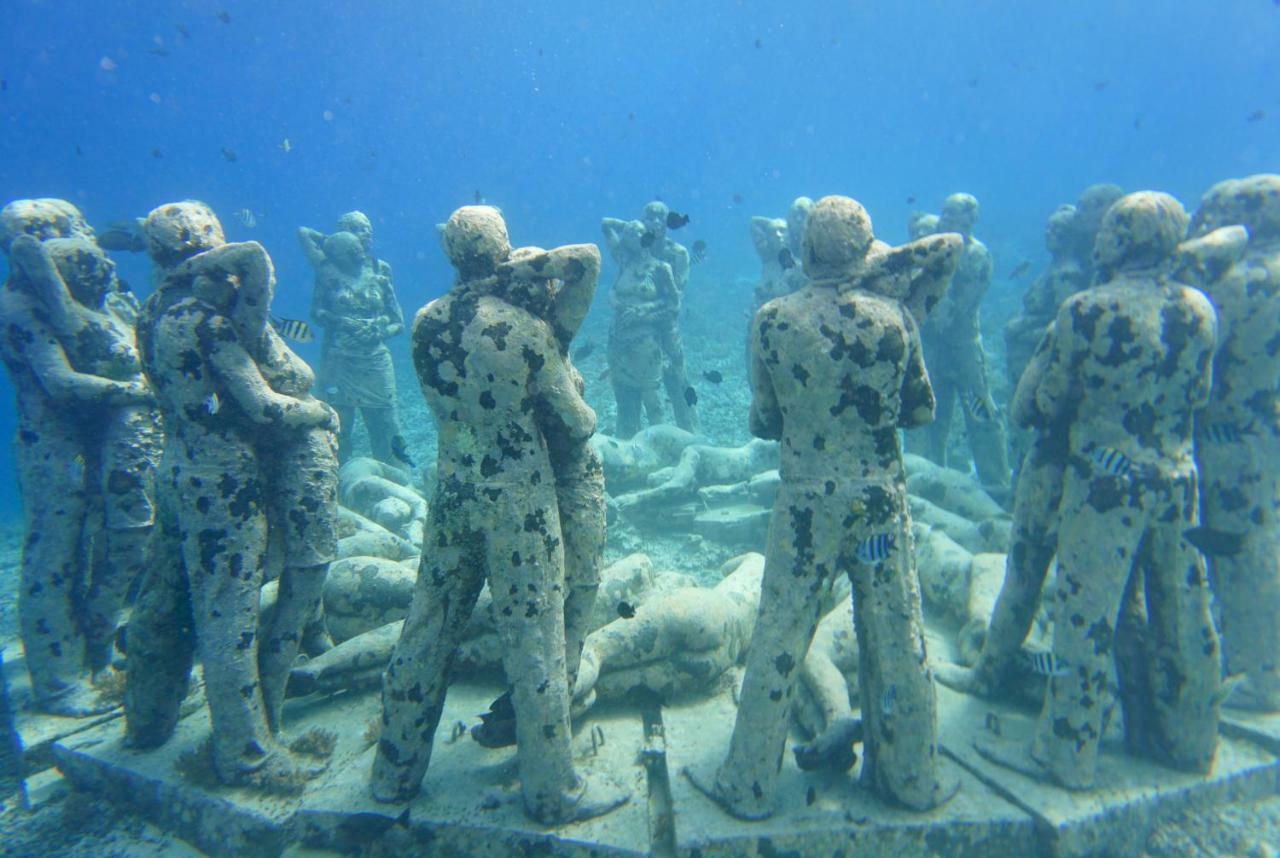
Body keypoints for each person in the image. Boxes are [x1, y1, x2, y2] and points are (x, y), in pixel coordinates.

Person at [685, 195, 962, 818]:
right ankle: (911, 776)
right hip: (880, 500)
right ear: (868, 250)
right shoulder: (895, 321)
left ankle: (749, 782)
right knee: (896, 633)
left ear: (804, 248)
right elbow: (920, 412)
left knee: (779, 635)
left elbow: (763, 420)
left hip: (806, 500)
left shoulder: (774, 320)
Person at [371, 206, 628, 823]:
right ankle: (552, 790)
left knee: (428, 627)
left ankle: (393, 773)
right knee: (534, 641)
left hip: (453, 492)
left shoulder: (425, 323)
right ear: (505, 248)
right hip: (520, 505)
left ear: (450, 252)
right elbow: (577, 421)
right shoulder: (521, 330)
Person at [979, 192, 1221, 790]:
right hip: (1177, 479)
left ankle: (1067, 751)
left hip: (1104, 482)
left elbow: (1043, 402)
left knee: (1085, 616)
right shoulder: (1200, 308)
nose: (1098, 237)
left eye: (1110, 228)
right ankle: (1188, 740)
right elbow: (1200, 396)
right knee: (1183, 607)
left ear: (1122, 239)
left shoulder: (1087, 309)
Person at [127, 202, 338, 790]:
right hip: (224, 486)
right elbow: (267, 402)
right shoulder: (203, 321)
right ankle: (245, 752)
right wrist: (319, 413)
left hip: (177, 471)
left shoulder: (152, 311)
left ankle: (146, 718)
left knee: (165, 598)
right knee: (229, 621)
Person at [0, 200, 156, 715]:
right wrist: (135, 392)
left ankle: (96, 650)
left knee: (107, 547)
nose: (53, 239)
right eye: (36, 233)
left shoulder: (89, 296)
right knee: (56, 556)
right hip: (54, 448)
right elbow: (59, 382)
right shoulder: (19, 305)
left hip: (101, 439)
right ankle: (56, 679)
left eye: (62, 229)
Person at [1185, 175, 1280, 713]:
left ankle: (1262, 674)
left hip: (1228, 431)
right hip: (1266, 422)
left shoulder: (1242, 282)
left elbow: (1194, 351)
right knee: (1261, 536)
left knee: (1239, 544)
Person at [916, 193, 1011, 495]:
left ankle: (996, 483)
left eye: (954, 214)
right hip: (932, 345)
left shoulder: (977, 255)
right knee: (930, 413)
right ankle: (927, 477)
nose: (946, 219)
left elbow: (965, 303)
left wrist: (935, 316)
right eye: (944, 212)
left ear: (970, 220)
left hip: (963, 346)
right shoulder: (934, 249)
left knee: (981, 412)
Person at [299, 213, 406, 465]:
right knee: (338, 427)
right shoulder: (327, 271)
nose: (366, 235)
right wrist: (342, 322)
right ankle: (335, 485)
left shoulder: (381, 269)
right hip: (338, 361)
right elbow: (316, 312)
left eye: (369, 229)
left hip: (375, 360)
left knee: (387, 425)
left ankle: (398, 480)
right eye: (358, 230)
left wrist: (379, 331)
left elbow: (398, 322)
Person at [603, 201, 699, 434]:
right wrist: (634, 229)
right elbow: (606, 225)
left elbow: (675, 301)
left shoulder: (676, 254)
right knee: (627, 385)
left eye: (660, 218)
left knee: (677, 380)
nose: (655, 222)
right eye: (649, 217)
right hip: (629, 333)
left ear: (668, 222)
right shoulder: (629, 253)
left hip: (665, 328)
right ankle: (631, 436)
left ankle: (692, 432)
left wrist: (643, 314)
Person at [601, 219, 675, 437]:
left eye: (640, 233)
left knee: (652, 399)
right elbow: (606, 225)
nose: (635, 237)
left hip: (645, 341)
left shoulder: (661, 268)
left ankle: (660, 446)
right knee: (623, 396)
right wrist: (613, 299)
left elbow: (673, 305)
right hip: (618, 340)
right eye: (630, 234)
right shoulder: (624, 262)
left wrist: (643, 313)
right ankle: (626, 445)